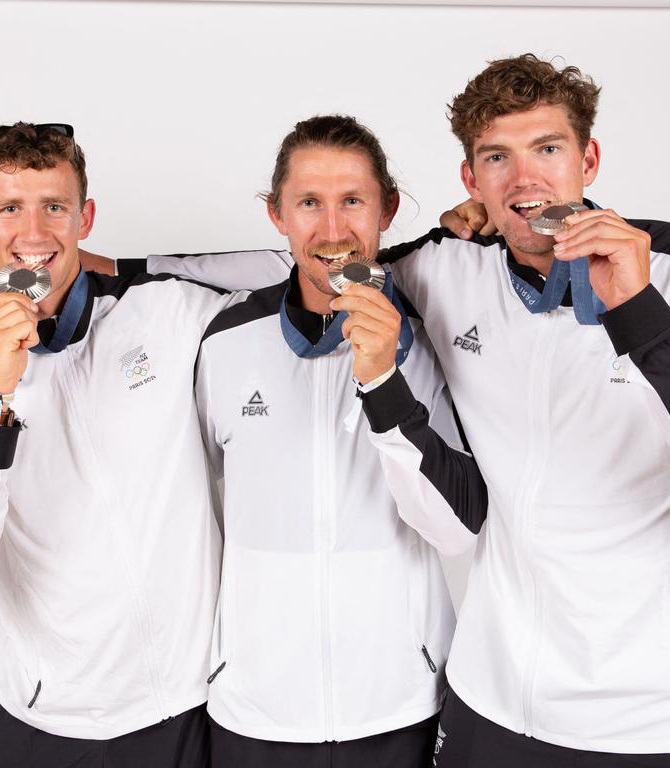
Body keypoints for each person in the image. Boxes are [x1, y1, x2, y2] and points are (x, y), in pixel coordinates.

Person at [164, 53, 670, 766]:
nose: (524, 179)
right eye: (497, 158)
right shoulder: (443, 266)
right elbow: (316, 261)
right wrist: (94, 269)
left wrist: (640, 313)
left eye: (547, 149)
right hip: (492, 700)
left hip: (655, 715)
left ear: (589, 157)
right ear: (471, 180)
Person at [0, 123, 246, 768]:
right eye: (10, 209)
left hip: (190, 704)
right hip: (43, 721)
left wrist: (127, 269)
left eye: (54, 207)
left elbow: (295, 269)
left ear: (84, 217)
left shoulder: (166, 310)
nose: (34, 235)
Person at [194, 114, 482, 768]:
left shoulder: (430, 332)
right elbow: (193, 504)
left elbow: (457, 529)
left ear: (387, 208)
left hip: (399, 705)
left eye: (352, 200)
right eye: (309, 203)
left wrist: (384, 379)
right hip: (253, 710)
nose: (332, 229)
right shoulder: (224, 342)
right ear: (278, 215)